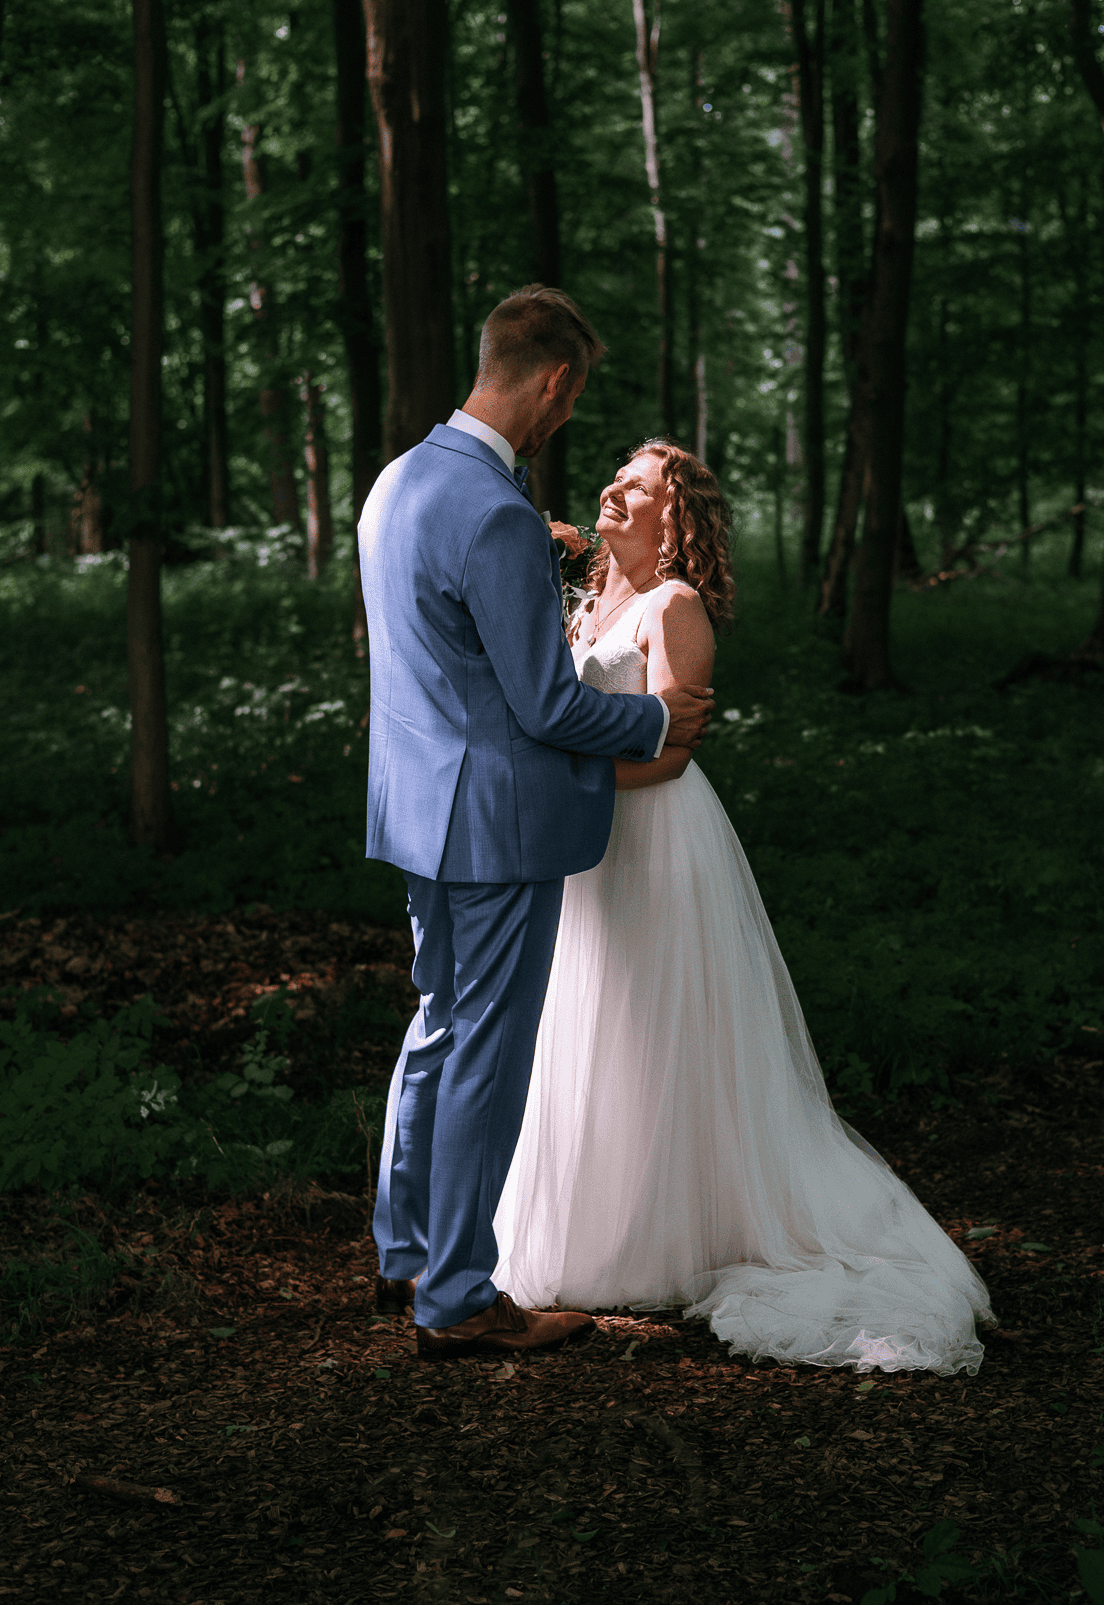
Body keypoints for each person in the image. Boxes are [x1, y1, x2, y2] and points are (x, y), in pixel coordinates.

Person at [494, 441, 994, 1374]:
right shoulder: (587, 600)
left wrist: (565, 781)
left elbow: (671, 752)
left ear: (671, 516)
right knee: (590, 1027)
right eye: (615, 474)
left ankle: (682, 1229)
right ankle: (599, 1228)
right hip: (585, 851)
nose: (613, 487)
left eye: (635, 485)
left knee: (657, 1033)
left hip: (654, 841)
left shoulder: (673, 608)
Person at [358, 290, 715, 1359]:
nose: (568, 419)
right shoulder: (496, 512)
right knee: (487, 1051)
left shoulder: (399, 484)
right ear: (554, 383)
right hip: (500, 821)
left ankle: (405, 1252)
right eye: (574, 399)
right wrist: (658, 712)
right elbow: (546, 706)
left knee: (436, 1027)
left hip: (417, 809)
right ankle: (460, 1296)